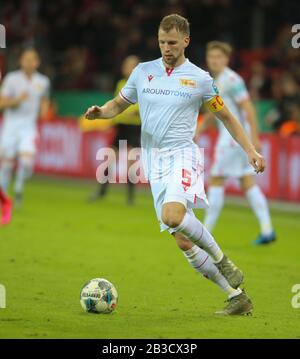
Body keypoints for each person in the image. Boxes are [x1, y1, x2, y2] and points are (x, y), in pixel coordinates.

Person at [85, 14, 266, 315]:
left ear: (185, 41)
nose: (166, 48)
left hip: (183, 154)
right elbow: (119, 104)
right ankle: (236, 296)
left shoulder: (201, 79)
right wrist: (100, 111)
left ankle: (222, 259)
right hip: (153, 160)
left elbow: (227, 117)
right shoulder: (143, 72)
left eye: (171, 42)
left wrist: (250, 150)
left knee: (173, 215)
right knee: (182, 240)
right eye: (161, 42)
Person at [196, 41, 275, 245]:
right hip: (236, 139)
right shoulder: (217, 80)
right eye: (211, 57)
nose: (214, 60)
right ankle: (267, 230)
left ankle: (206, 233)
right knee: (246, 182)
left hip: (233, 138)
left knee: (216, 179)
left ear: (226, 59)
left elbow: (248, 109)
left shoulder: (232, 79)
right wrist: (200, 129)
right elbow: (217, 113)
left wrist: (255, 139)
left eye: (218, 57)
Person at [0, 48, 50, 207]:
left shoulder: (43, 81)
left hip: (29, 126)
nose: (29, 62)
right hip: (11, 125)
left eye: (32, 59)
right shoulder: (11, 79)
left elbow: (44, 100)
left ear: (37, 62)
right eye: (26, 59)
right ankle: (4, 197)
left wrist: (44, 109)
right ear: (20, 61)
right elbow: (2, 103)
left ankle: (19, 187)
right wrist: (17, 100)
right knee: (7, 164)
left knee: (27, 162)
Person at [88, 55, 141, 205]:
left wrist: (131, 112)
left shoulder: (143, 85)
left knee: (131, 161)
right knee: (110, 158)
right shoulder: (121, 84)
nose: (125, 68)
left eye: (130, 65)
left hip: (135, 127)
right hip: (122, 126)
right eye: (125, 64)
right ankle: (101, 191)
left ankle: (130, 198)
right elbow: (117, 105)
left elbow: (139, 108)